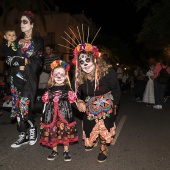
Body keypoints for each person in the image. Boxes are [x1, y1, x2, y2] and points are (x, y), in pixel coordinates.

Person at [72, 43, 121, 163]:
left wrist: (115, 105)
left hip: (106, 101)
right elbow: (73, 93)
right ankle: (93, 140)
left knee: (103, 124)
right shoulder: (78, 76)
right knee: (89, 125)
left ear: (94, 58)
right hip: (90, 103)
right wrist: (79, 101)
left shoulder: (107, 71)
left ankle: (103, 147)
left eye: (87, 59)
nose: (85, 64)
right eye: (81, 62)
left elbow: (116, 90)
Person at [5, 10, 44, 148]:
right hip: (15, 78)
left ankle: (32, 129)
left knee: (25, 106)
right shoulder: (16, 41)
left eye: (25, 22)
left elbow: (38, 61)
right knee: (17, 109)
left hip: (28, 79)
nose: (22, 24)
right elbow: (9, 57)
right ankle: (22, 135)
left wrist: (21, 60)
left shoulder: (38, 41)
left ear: (32, 25)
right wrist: (15, 59)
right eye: (21, 22)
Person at [39, 60, 78, 162]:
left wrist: (82, 108)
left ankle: (66, 151)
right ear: (52, 76)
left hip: (65, 115)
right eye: (56, 74)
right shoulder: (49, 89)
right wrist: (42, 115)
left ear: (66, 76)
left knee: (65, 133)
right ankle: (54, 150)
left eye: (61, 74)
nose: (59, 76)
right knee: (52, 133)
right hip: (51, 116)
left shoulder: (68, 89)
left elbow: (74, 102)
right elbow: (45, 103)